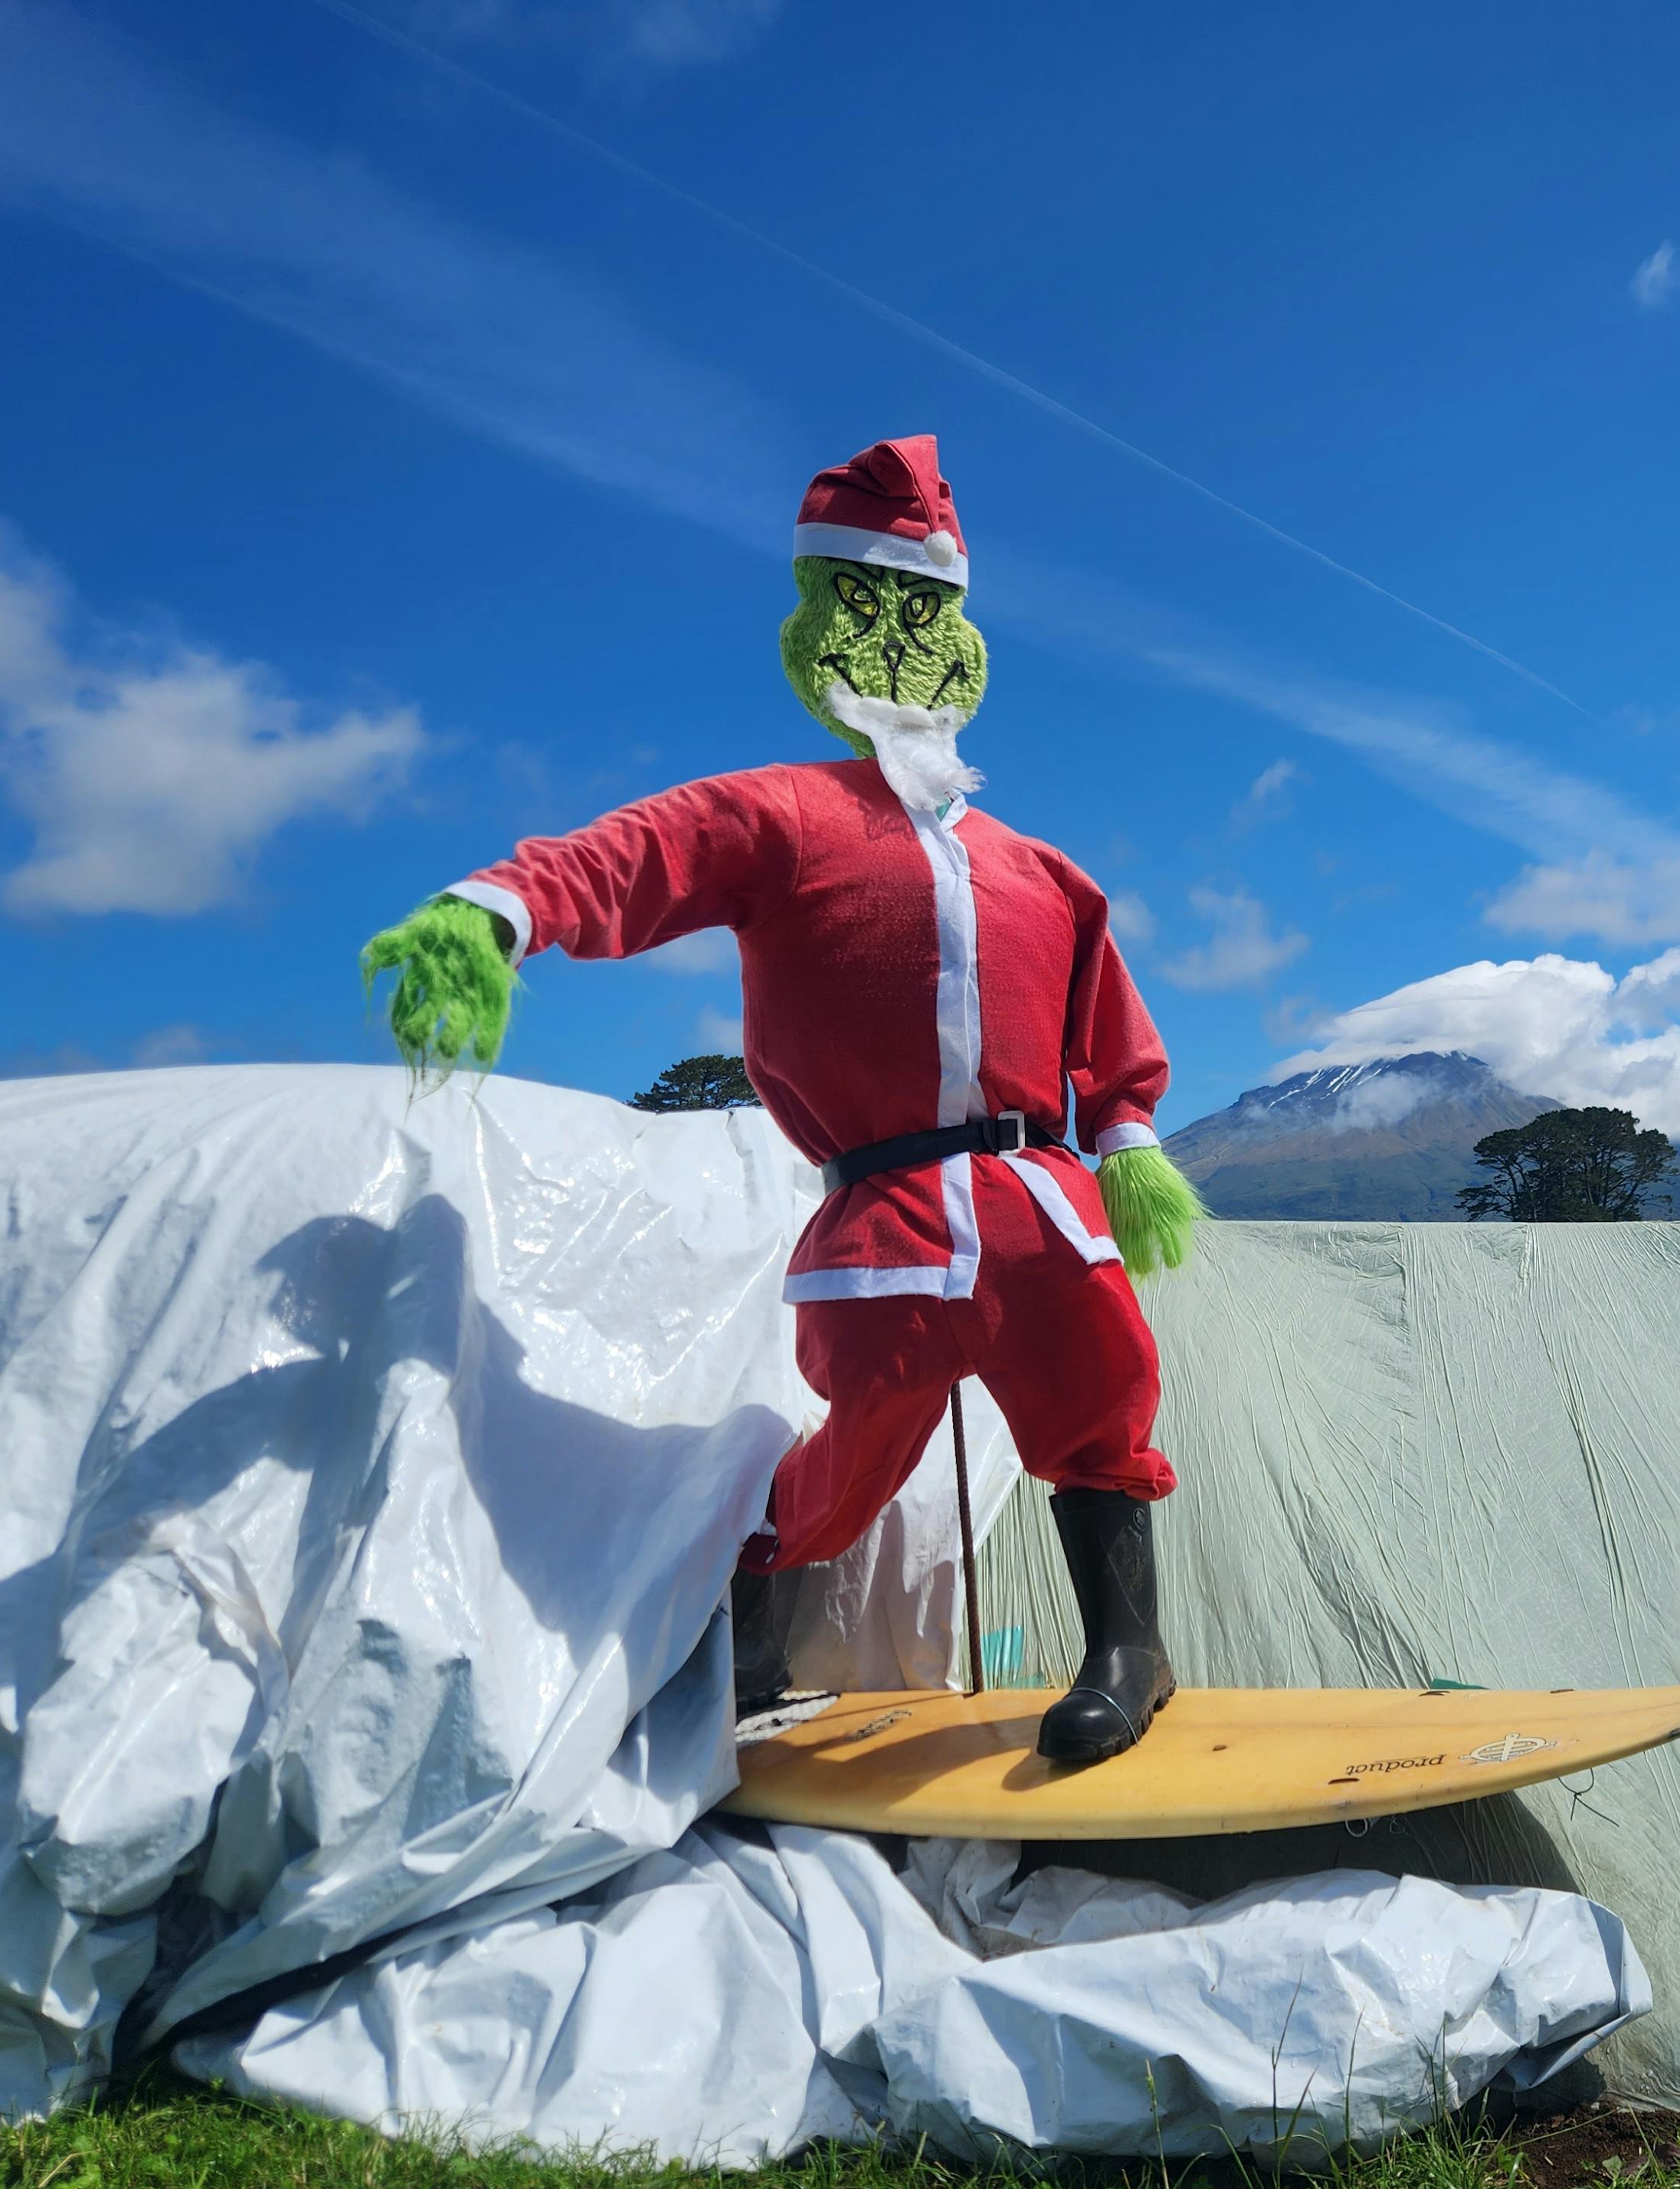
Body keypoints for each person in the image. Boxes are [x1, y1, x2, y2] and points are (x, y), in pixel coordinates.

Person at [358, 435, 1202, 1766]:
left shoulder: (1043, 870)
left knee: (1102, 1394)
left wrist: (1131, 1142)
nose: (899, 642)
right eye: (871, 609)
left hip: (1040, 1202)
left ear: (958, 634)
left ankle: (1127, 1648)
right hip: (891, 1216)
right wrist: (505, 905)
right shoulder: (781, 817)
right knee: (858, 1439)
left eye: (924, 612)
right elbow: (635, 856)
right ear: (825, 627)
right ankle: (749, 1632)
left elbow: (1110, 1030)